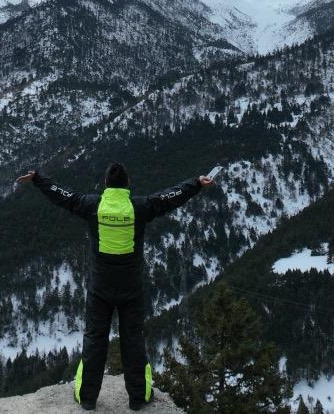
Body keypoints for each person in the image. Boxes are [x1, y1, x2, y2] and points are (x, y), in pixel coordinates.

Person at [17, 162, 215, 411]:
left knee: (94, 339)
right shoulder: (140, 207)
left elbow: (62, 195)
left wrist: (38, 179)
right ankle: (138, 397)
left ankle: (87, 397)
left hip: (100, 288)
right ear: (128, 184)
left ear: (106, 184)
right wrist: (196, 183)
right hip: (131, 289)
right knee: (133, 340)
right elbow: (169, 197)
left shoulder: (92, 205)